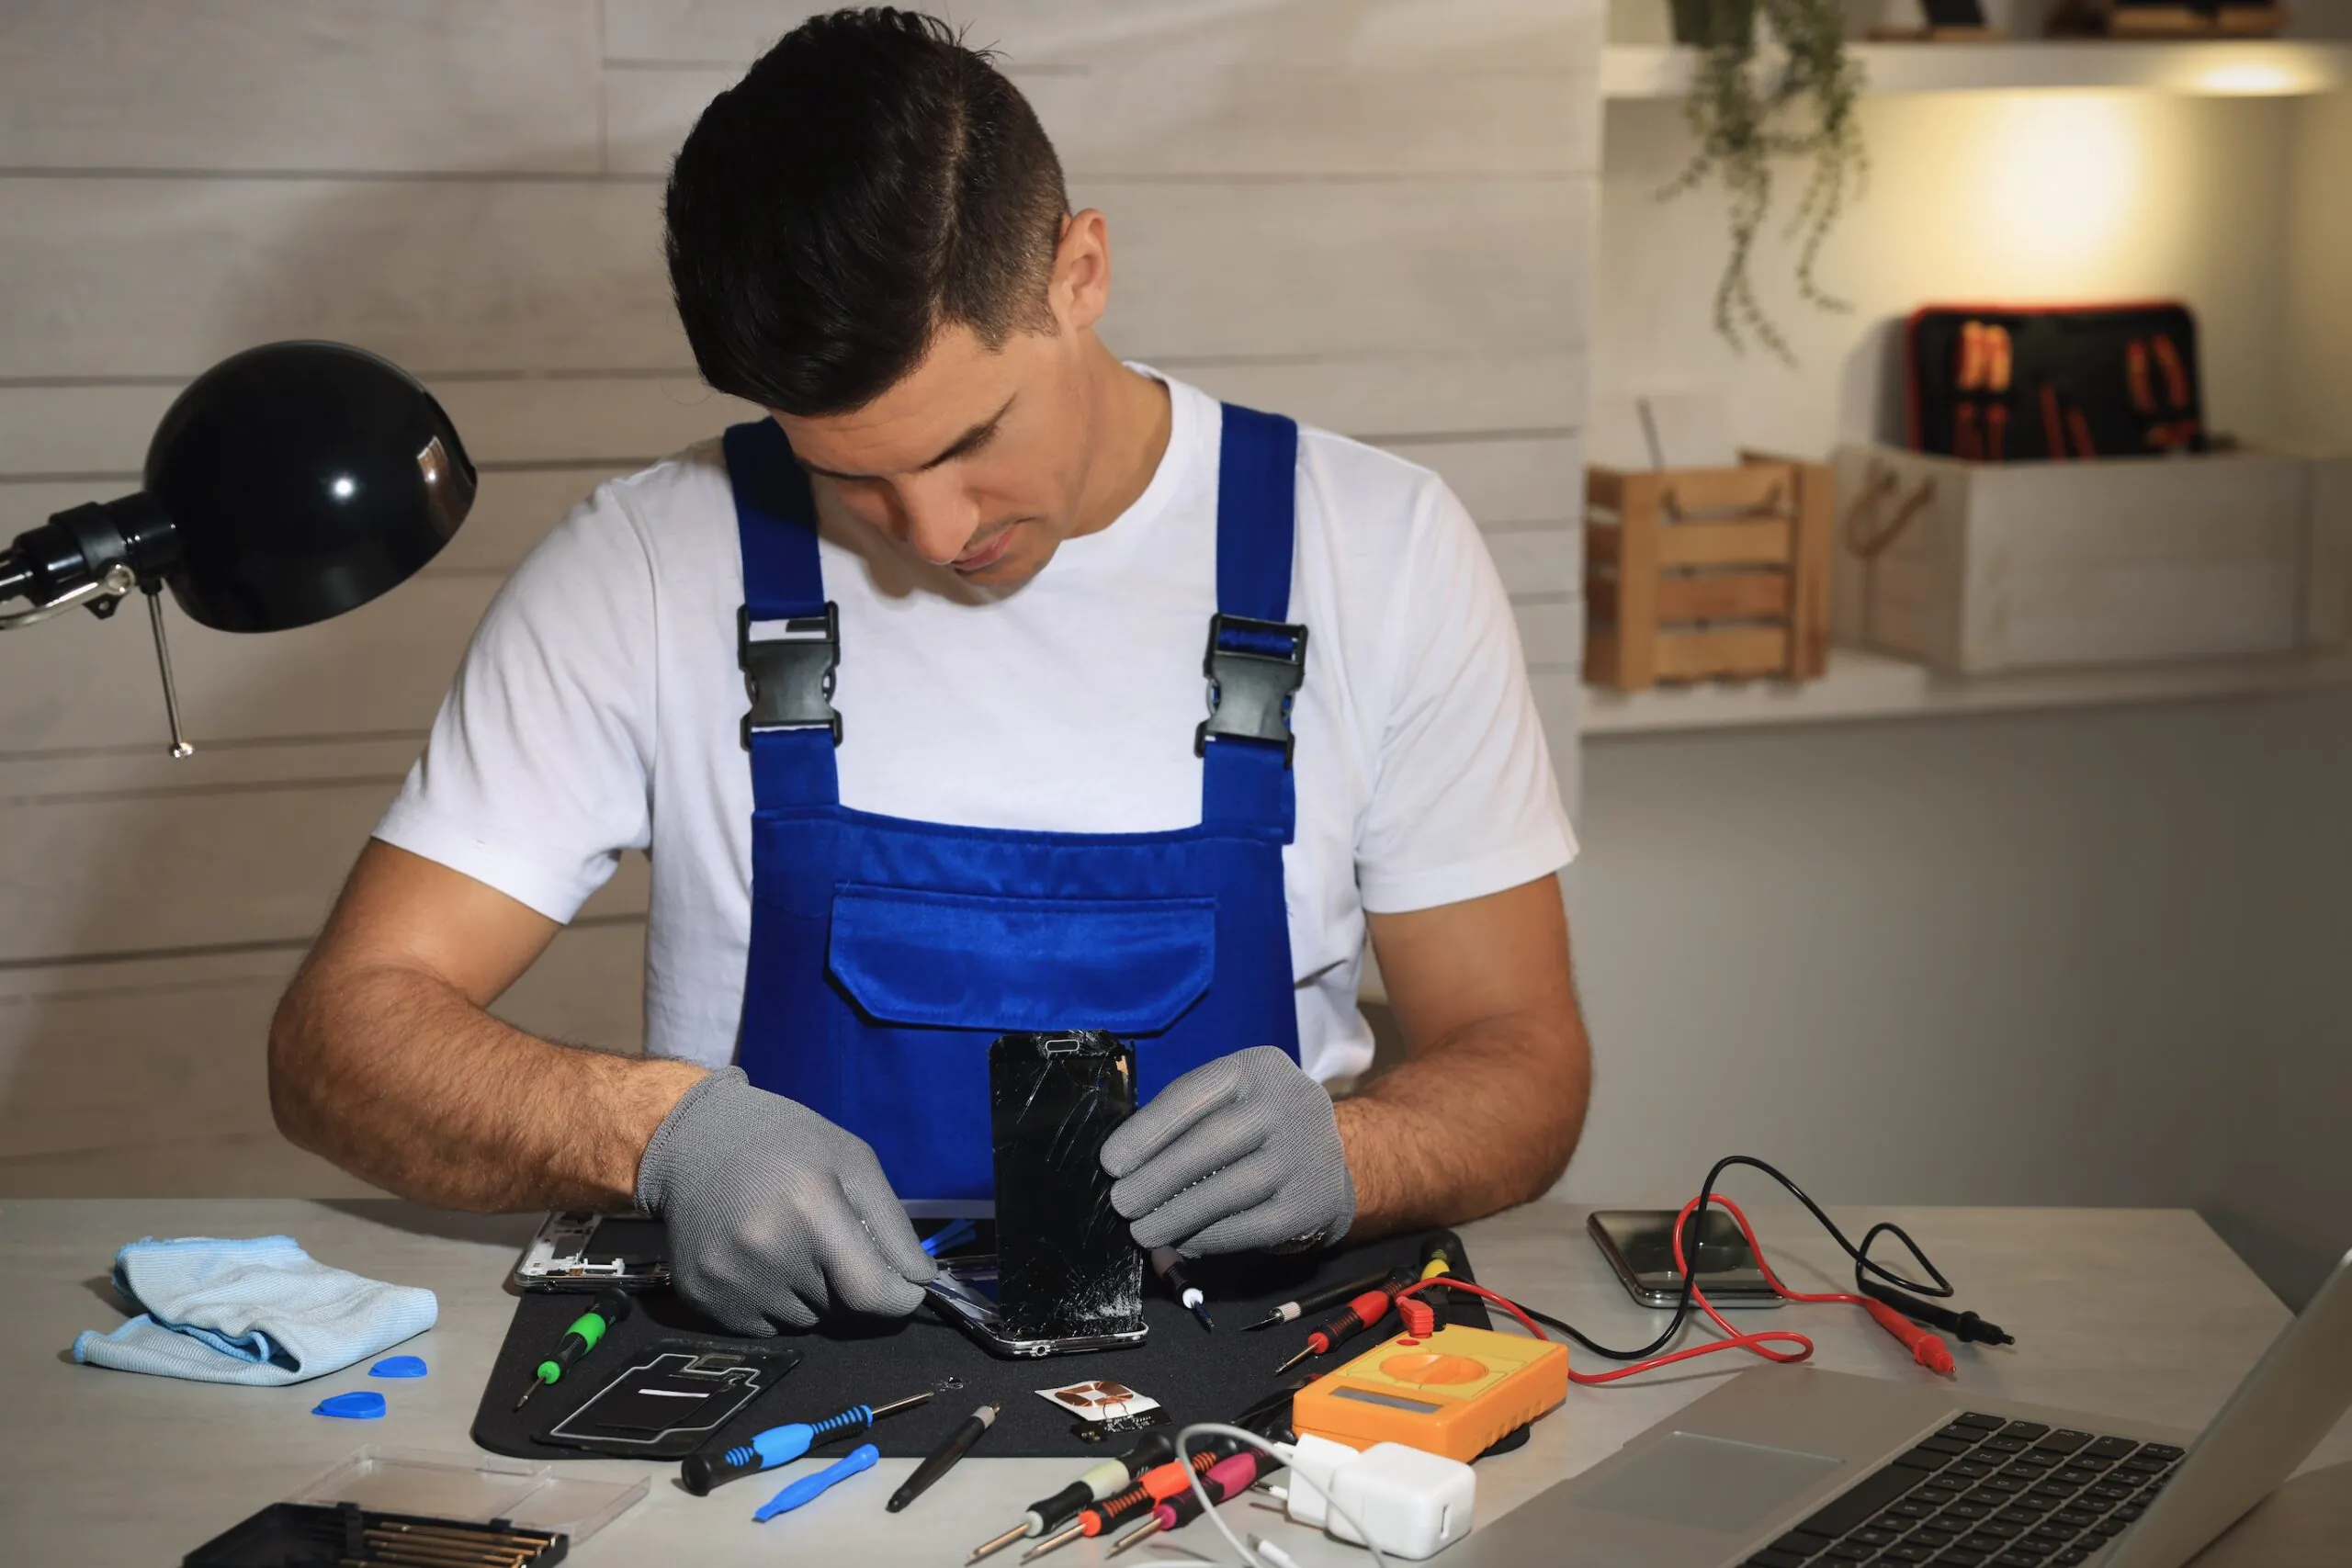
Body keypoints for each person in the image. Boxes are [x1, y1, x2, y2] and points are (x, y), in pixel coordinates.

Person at [268, 7, 1592, 1337]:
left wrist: (1359, 1158)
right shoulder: (647, 563)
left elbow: (1523, 1058)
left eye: (974, 438)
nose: (938, 534)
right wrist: (657, 1134)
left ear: (1081, 269)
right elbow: (342, 1041)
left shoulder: (1375, 547)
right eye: (849, 476)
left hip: (1250, 1391)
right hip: (785, 1400)